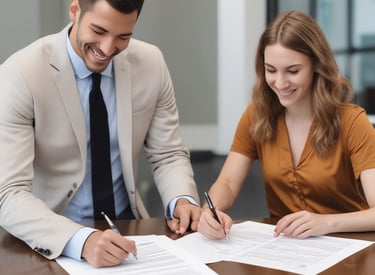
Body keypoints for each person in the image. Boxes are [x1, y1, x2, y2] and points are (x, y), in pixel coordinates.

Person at [0, 0, 201, 268]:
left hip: (131, 233)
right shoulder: (21, 74)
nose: (107, 49)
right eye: (98, 31)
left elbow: (168, 154)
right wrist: (81, 240)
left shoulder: (151, 63)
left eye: (123, 37)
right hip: (54, 238)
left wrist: (182, 200)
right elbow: (9, 193)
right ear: (75, 10)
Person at [198, 10, 375, 240]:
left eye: (292, 71)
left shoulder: (352, 122)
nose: (280, 83)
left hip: (348, 248)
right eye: (271, 70)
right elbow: (228, 183)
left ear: (316, 66)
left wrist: (324, 222)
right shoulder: (257, 115)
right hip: (286, 249)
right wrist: (210, 213)